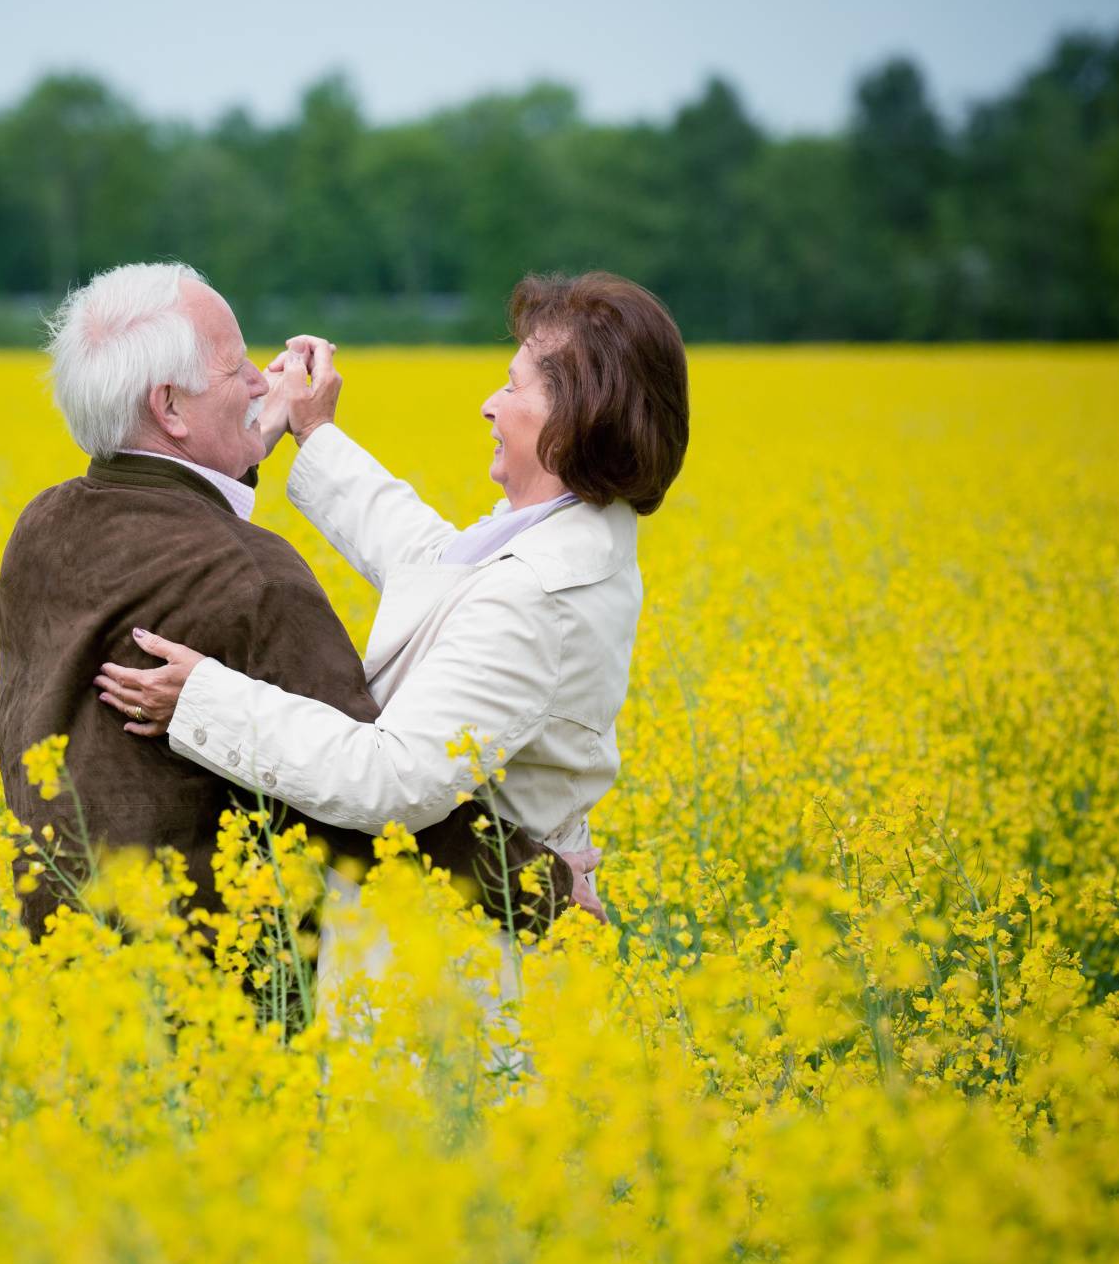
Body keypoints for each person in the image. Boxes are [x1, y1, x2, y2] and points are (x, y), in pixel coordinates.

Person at [95, 272, 690, 984]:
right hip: (459, 927)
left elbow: (392, 778)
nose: (488, 405)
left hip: (456, 965)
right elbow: (427, 562)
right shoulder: (557, 535)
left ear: (577, 416)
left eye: (513, 385)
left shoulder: (539, 591)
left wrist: (201, 700)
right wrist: (313, 433)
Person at [0, 262, 567, 952]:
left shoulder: (42, 528)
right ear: (169, 407)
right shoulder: (251, 576)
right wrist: (543, 890)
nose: (263, 382)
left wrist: (245, 434)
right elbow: (374, 808)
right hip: (222, 1005)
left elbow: (172, 499)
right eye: (237, 370)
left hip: (66, 973)